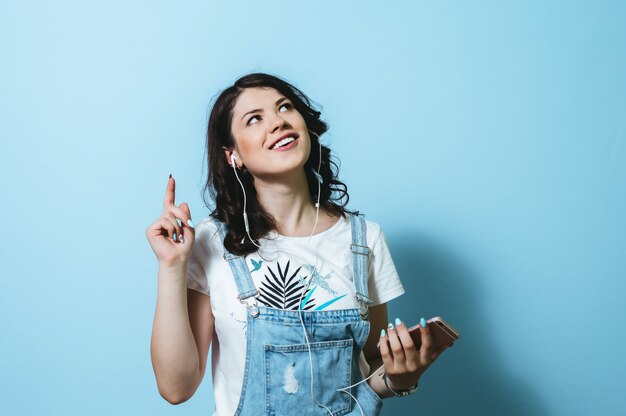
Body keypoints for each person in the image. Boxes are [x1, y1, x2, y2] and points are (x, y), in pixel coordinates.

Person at [146, 73, 449, 415]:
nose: (277, 122)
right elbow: (176, 387)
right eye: (255, 118)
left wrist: (402, 378)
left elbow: (365, 376)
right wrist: (172, 267)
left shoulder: (364, 241)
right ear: (233, 155)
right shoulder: (212, 242)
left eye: (285, 107)